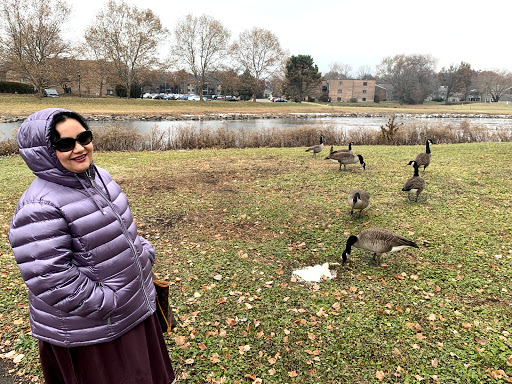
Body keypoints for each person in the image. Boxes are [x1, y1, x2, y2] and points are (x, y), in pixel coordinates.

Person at [8, 108, 175, 384]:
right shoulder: (39, 206)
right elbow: (50, 279)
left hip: (130, 311)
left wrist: (143, 253)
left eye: (84, 137)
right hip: (93, 329)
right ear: (42, 151)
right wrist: (109, 302)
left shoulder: (99, 178)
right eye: (65, 143)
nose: (79, 148)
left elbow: (120, 228)